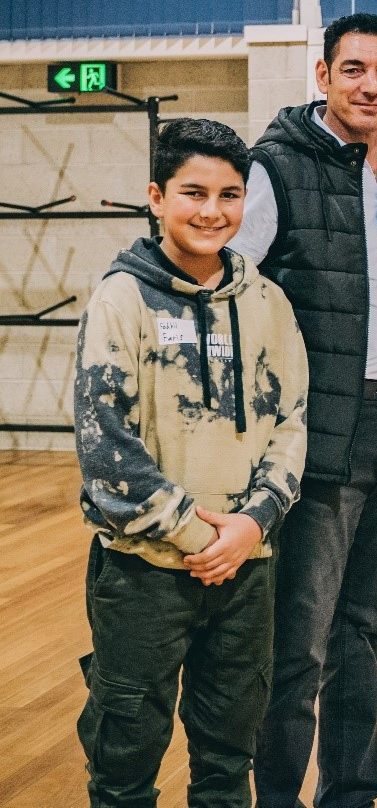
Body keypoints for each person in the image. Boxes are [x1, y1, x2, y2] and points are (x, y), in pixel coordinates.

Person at [230, 12, 377, 808]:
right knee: (300, 639)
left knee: (362, 626)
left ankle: (351, 795)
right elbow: (230, 287)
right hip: (327, 428)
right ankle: (277, 798)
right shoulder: (277, 168)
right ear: (323, 76)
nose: (371, 84)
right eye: (354, 68)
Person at [73, 118, 308, 807]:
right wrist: (202, 536)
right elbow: (105, 445)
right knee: (125, 763)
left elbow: (292, 423)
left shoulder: (267, 303)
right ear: (156, 196)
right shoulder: (121, 299)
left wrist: (252, 525)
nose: (212, 211)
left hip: (246, 571)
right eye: (193, 192)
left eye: (229, 194)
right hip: (143, 575)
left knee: (227, 760)